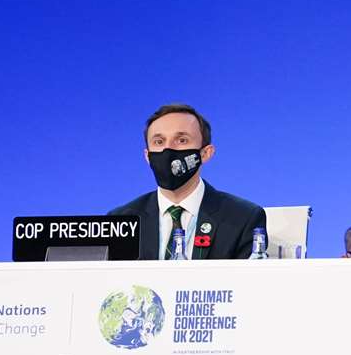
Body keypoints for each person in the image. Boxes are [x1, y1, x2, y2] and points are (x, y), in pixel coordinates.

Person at [110, 103, 268, 259]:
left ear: (205, 153)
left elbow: (247, 282)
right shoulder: (120, 220)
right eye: (159, 142)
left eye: (182, 140)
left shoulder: (243, 218)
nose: (168, 149)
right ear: (147, 156)